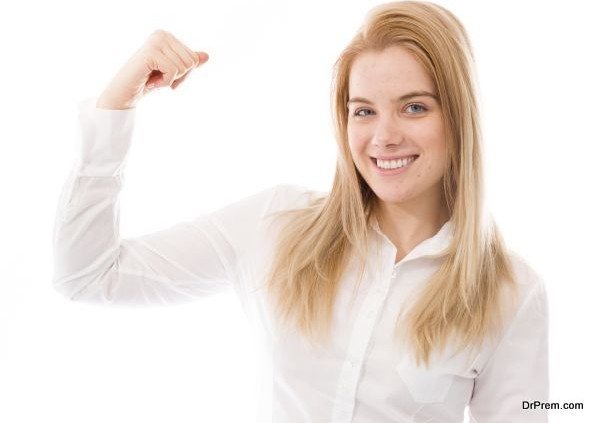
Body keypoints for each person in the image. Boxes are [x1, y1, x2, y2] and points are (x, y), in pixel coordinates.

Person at [52, 1, 549, 422]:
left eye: (414, 107)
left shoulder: (511, 291)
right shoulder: (275, 224)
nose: (384, 136)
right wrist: (116, 105)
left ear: (459, 117)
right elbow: (89, 276)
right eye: (364, 110)